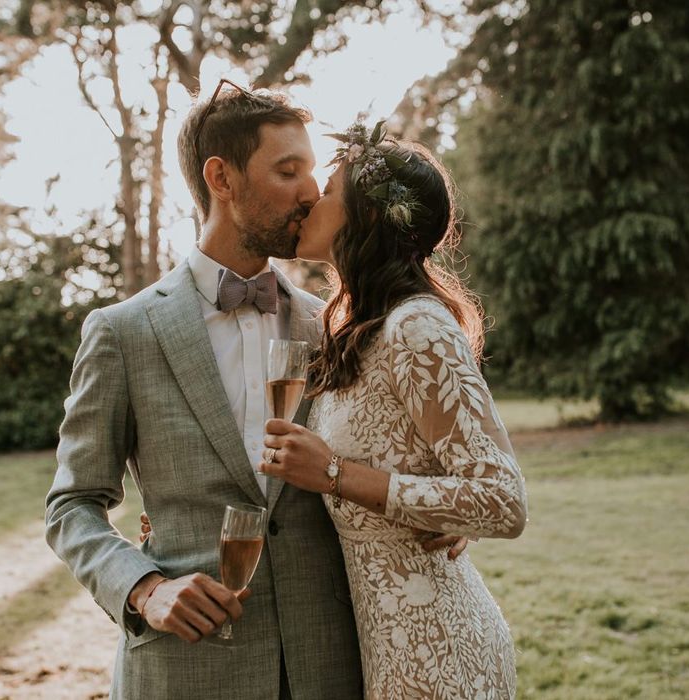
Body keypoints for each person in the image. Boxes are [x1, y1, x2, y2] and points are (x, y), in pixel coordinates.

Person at [45, 82, 463, 700]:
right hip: (187, 669)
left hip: (330, 662)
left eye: (312, 171)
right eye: (287, 171)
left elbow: (399, 457)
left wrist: (437, 510)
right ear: (222, 178)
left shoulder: (336, 327)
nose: (313, 191)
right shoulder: (123, 332)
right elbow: (72, 505)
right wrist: (145, 589)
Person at [255, 121, 528, 699]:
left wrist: (334, 474)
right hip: (386, 654)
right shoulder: (356, 329)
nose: (310, 199)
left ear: (367, 216)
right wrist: (437, 508)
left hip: (443, 655)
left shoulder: (419, 326)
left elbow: (502, 499)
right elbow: (429, 474)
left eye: (328, 191)